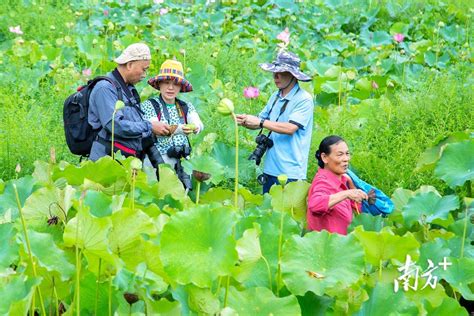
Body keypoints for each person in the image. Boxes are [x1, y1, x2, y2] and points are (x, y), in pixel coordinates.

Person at [236, 50, 314, 194]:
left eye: (281, 72)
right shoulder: (275, 96)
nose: (275, 76)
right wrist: (245, 120)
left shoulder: (304, 99)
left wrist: (259, 122)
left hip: (291, 171)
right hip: (270, 168)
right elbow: (261, 120)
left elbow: (290, 128)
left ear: (292, 75)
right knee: (268, 211)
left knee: (287, 214)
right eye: (274, 72)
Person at [88, 43, 167, 161]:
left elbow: (135, 125)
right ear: (129, 65)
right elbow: (114, 125)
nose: (144, 75)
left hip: (126, 159)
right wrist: (149, 126)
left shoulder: (128, 88)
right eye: (143, 69)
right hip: (105, 161)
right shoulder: (104, 88)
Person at [141, 59, 203, 189]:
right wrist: (181, 129)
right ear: (159, 84)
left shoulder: (185, 106)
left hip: (181, 160)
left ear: (180, 86)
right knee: (155, 193)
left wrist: (196, 127)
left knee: (182, 195)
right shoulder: (149, 105)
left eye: (175, 84)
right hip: (157, 160)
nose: (170, 88)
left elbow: (198, 123)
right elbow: (158, 128)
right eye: (167, 83)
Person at [307, 135, 368, 235]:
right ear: (324, 158)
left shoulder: (342, 179)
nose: (345, 159)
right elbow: (315, 205)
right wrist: (347, 193)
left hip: (344, 244)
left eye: (347, 154)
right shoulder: (322, 181)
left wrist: (351, 185)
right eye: (340, 155)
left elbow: (357, 210)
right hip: (329, 247)